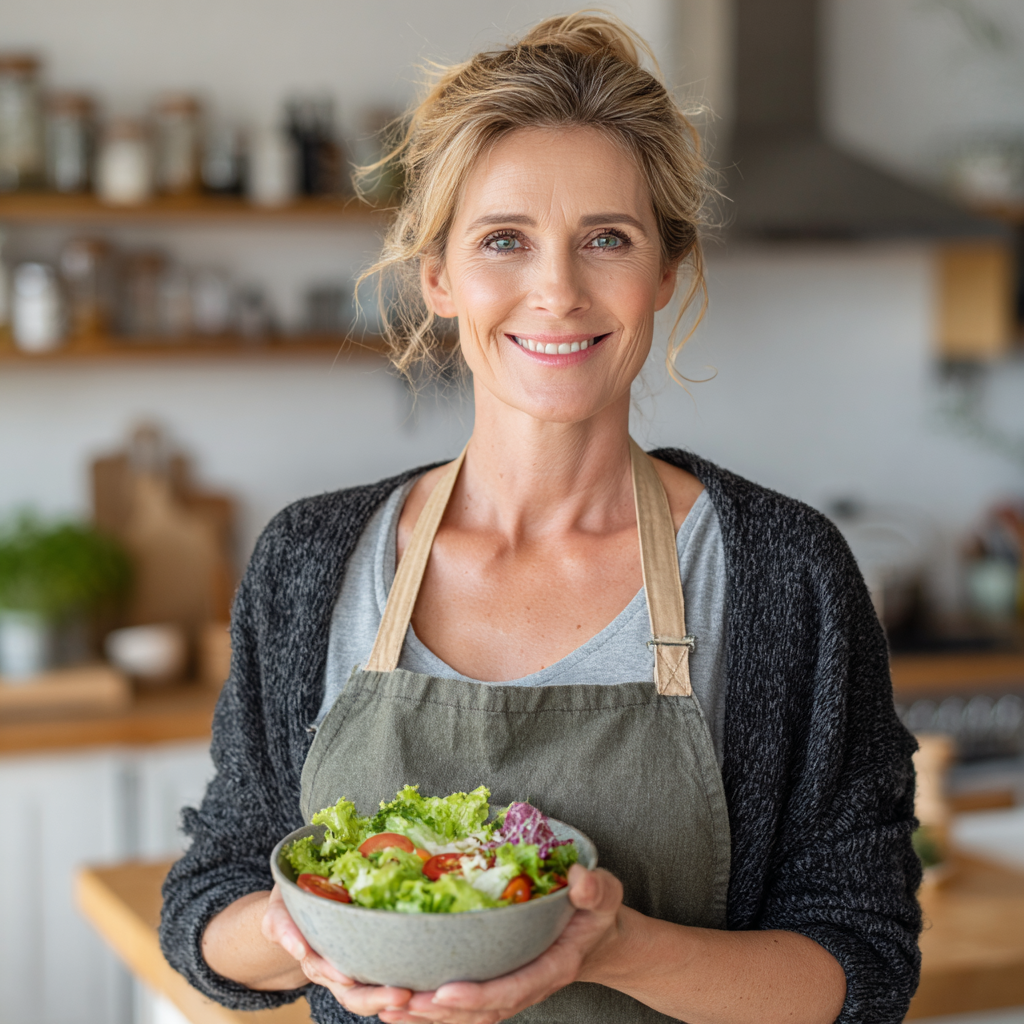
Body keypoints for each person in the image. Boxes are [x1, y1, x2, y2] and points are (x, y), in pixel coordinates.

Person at [160, 14, 921, 1024]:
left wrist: (615, 948)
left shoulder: (783, 570)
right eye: (504, 241)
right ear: (439, 278)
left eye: (605, 238)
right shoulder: (314, 561)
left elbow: (859, 965)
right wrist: (308, 930)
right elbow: (207, 908)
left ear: (663, 273)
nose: (556, 291)